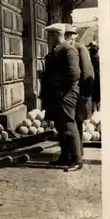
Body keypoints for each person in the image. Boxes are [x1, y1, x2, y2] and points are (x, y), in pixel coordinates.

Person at [41, 23, 82, 172]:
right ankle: (65, 156)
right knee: (61, 126)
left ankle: (77, 160)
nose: (48, 38)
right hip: (58, 94)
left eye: (49, 35)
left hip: (66, 93)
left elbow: (74, 74)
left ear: (55, 35)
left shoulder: (68, 49)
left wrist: (57, 84)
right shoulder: (57, 50)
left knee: (69, 125)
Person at [64, 24, 95, 157]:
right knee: (69, 123)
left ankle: (78, 153)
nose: (66, 37)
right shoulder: (64, 49)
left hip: (80, 94)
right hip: (68, 94)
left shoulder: (80, 48)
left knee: (77, 123)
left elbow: (88, 73)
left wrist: (85, 94)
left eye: (68, 35)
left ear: (71, 36)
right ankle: (68, 153)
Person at [87, 42, 100, 112]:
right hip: (98, 81)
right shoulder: (98, 58)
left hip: (93, 80)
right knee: (97, 100)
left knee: (94, 100)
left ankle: (95, 111)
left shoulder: (91, 59)